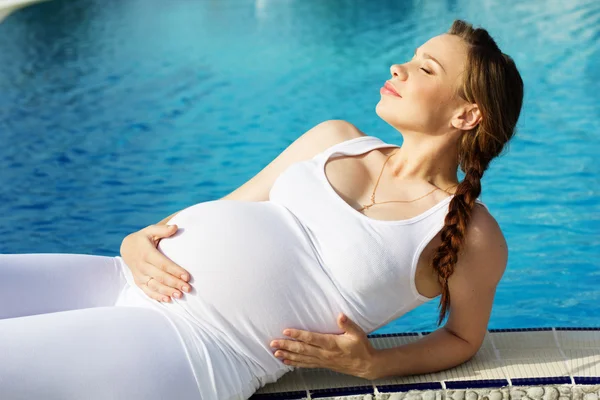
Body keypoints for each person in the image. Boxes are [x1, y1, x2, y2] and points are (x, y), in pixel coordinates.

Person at [0, 20, 523, 400]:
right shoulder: (335, 139)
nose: (398, 66)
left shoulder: (469, 232)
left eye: (424, 67)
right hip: (124, 275)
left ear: (466, 113)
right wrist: (137, 240)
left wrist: (374, 364)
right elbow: (226, 209)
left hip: (191, 345)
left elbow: (462, 337)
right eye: (410, 56)